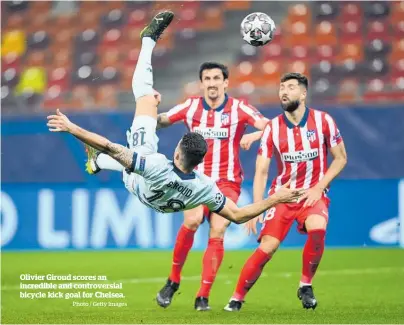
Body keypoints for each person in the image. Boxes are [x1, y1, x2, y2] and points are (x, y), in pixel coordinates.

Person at [46, 11, 303, 247]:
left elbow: (109, 145)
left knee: (144, 99)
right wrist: (276, 198)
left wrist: (71, 127)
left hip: (142, 177)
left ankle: (148, 40)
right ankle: (98, 163)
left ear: (178, 153)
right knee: (115, 158)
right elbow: (237, 215)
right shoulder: (205, 187)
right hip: (151, 197)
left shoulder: (156, 164)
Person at [147, 62, 269, 311]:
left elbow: (272, 127)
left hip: (227, 182)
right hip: (195, 179)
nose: (212, 83)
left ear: (226, 82)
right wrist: (149, 108)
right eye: (207, 78)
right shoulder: (191, 106)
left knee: (218, 229)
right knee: (191, 222)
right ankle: (173, 280)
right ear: (201, 83)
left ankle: (202, 296)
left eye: (216, 78)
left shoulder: (240, 108)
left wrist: (255, 135)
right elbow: (161, 120)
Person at [223, 72, 347, 312]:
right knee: (267, 248)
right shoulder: (272, 129)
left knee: (318, 228)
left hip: (313, 193)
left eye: (290, 87)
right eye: (281, 87)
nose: (284, 91)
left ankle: (305, 285)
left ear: (303, 93)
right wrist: (258, 206)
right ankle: (236, 298)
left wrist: (319, 187)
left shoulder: (323, 121)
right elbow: (261, 171)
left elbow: (341, 158)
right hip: (282, 196)